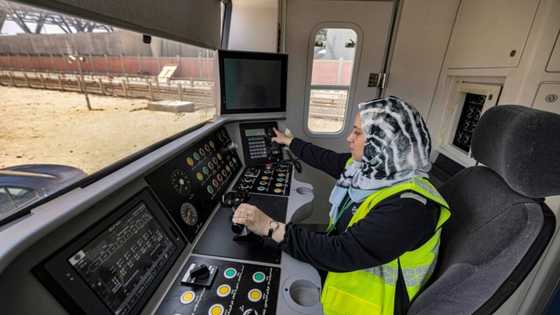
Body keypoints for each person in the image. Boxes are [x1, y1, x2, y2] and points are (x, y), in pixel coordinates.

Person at [233, 96, 451, 315]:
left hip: (367, 303)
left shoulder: (410, 207)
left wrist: (270, 227)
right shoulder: (372, 170)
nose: (349, 138)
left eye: (357, 132)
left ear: (384, 141)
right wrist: (290, 142)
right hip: (346, 273)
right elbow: (329, 160)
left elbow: (340, 252)